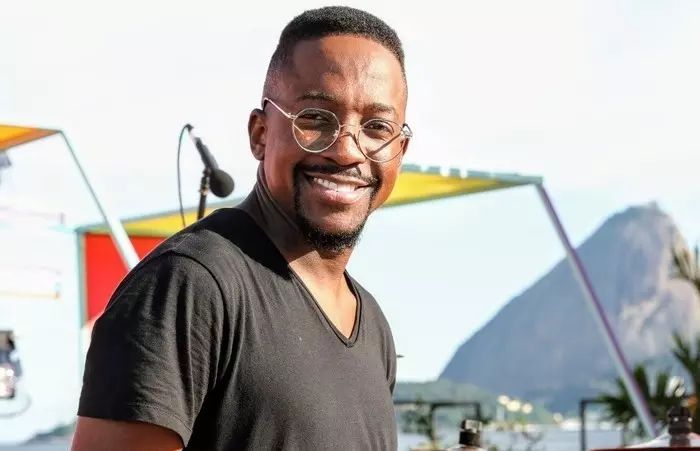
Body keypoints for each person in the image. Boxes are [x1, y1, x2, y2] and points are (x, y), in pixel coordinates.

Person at [72, 5, 412, 450]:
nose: (347, 150)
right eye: (315, 118)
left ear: (401, 150)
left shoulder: (373, 326)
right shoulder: (189, 286)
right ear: (260, 134)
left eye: (377, 127)